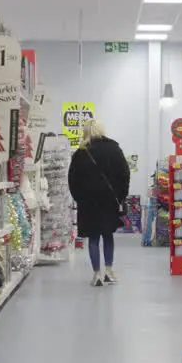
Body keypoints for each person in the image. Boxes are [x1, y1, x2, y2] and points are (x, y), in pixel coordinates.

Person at [67, 119, 130, 286]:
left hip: (88, 202)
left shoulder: (80, 153)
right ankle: (109, 271)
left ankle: (96, 274)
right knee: (108, 235)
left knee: (93, 237)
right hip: (109, 200)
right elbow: (125, 174)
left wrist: (79, 198)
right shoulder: (114, 149)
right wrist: (121, 196)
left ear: (85, 131)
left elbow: (72, 180)